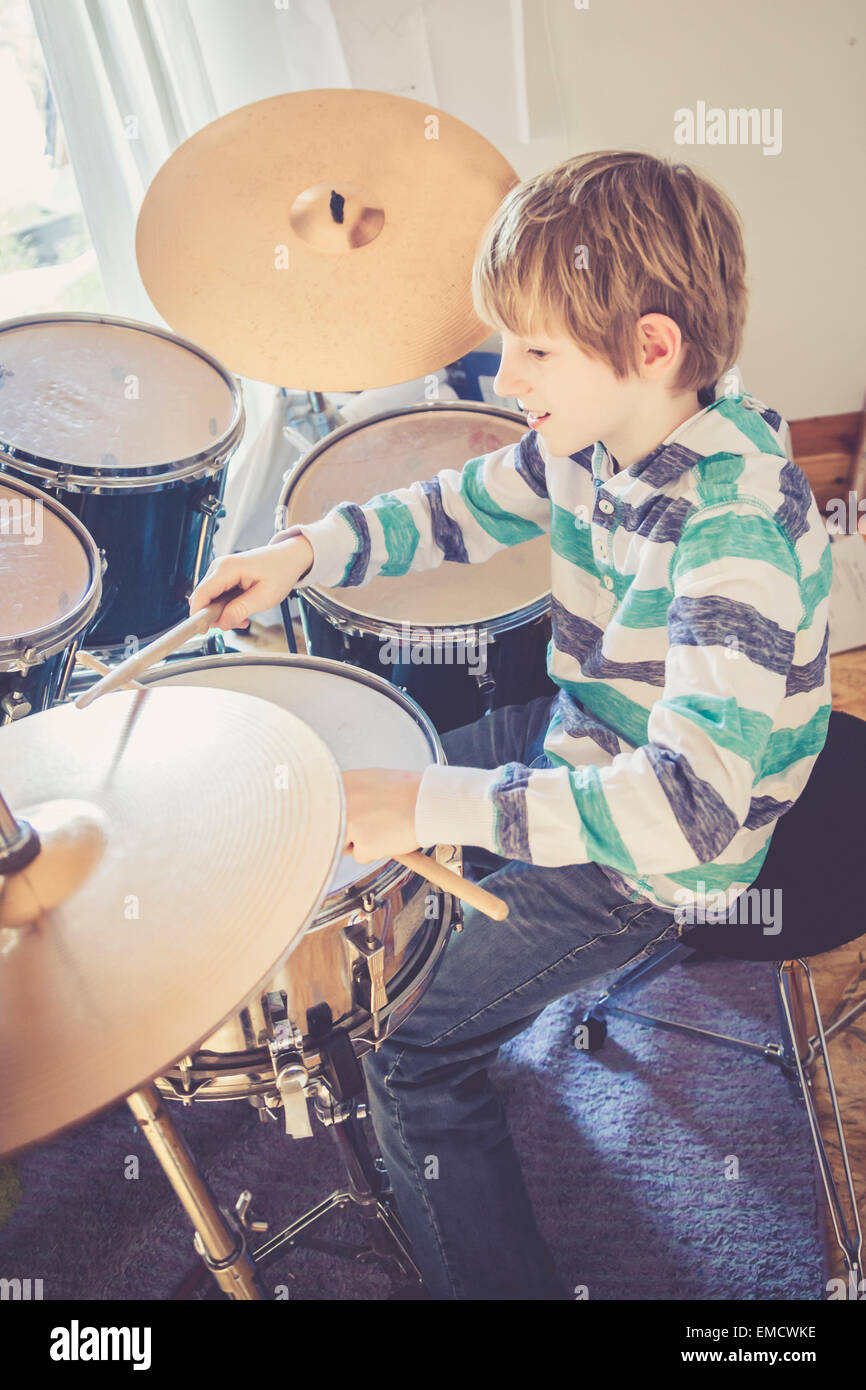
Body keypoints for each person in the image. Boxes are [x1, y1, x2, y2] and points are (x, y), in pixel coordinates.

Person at [189, 150, 832, 1300]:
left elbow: (682, 807)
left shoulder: (734, 528)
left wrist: (435, 806)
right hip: (586, 733)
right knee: (377, 771)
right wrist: (300, 554)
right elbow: (455, 506)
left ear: (650, 347)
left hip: (657, 849)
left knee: (406, 1050)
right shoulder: (593, 438)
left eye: (532, 348)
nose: (502, 370)